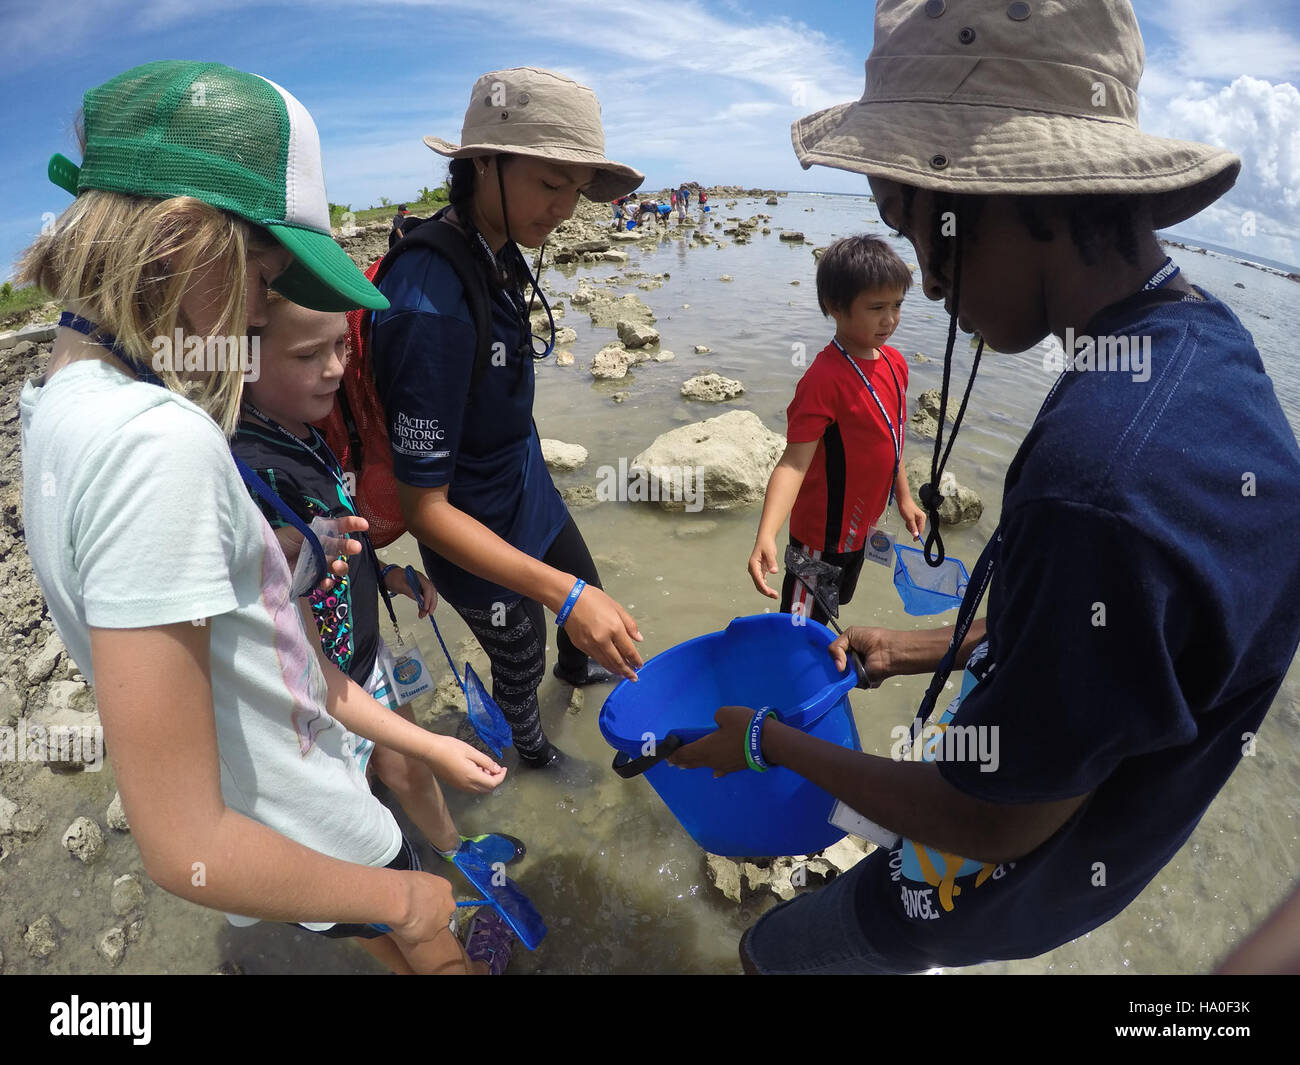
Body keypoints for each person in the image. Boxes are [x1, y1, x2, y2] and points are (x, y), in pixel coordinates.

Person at [672, 0, 1300, 975]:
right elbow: (1122, 652)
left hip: (979, 879)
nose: (924, 284)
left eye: (917, 227)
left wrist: (766, 741)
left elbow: (992, 823)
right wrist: (928, 646)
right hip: (1071, 864)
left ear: (999, 191)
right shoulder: (1200, 347)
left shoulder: (1102, 477)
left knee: (773, 954)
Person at [18, 60, 508, 975]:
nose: (253, 311)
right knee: (429, 944)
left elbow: (245, 638)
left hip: (277, 822)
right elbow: (180, 841)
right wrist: (403, 895)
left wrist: (279, 556)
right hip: (316, 829)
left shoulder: (56, 408)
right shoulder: (158, 442)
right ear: (179, 240)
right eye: (262, 272)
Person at [370, 68, 646, 770]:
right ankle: (535, 757)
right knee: (519, 648)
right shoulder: (426, 302)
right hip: (470, 525)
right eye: (550, 183)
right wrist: (562, 593)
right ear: (483, 164)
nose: (564, 209)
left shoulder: (493, 246)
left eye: (576, 190)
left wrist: (577, 592)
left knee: (589, 604)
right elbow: (424, 510)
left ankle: (577, 674)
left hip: (524, 482)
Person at [231, 293, 528, 875]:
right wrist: (440, 748)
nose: (336, 368)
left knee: (398, 762)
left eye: (341, 345)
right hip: (321, 682)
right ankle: (411, 873)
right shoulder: (253, 477)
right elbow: (315, 665)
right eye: (307, 354)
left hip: (358, 652)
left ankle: (449, 849)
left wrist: (385, 573)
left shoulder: (303, 431)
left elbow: (335, 539)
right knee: (383, 775)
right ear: (240, 360)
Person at [748, 235, 924, 625]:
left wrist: (905, 497)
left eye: (897, 305)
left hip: (861, 531)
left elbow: (890, 440)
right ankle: (794, 683)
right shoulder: (824, 379)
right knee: (800, 626)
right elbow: (793, 464)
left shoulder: (895, 364)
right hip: (817, 540)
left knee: (830, 611)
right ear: (835, 307)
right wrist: (767, 534)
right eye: (876, 307)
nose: (890, 319)